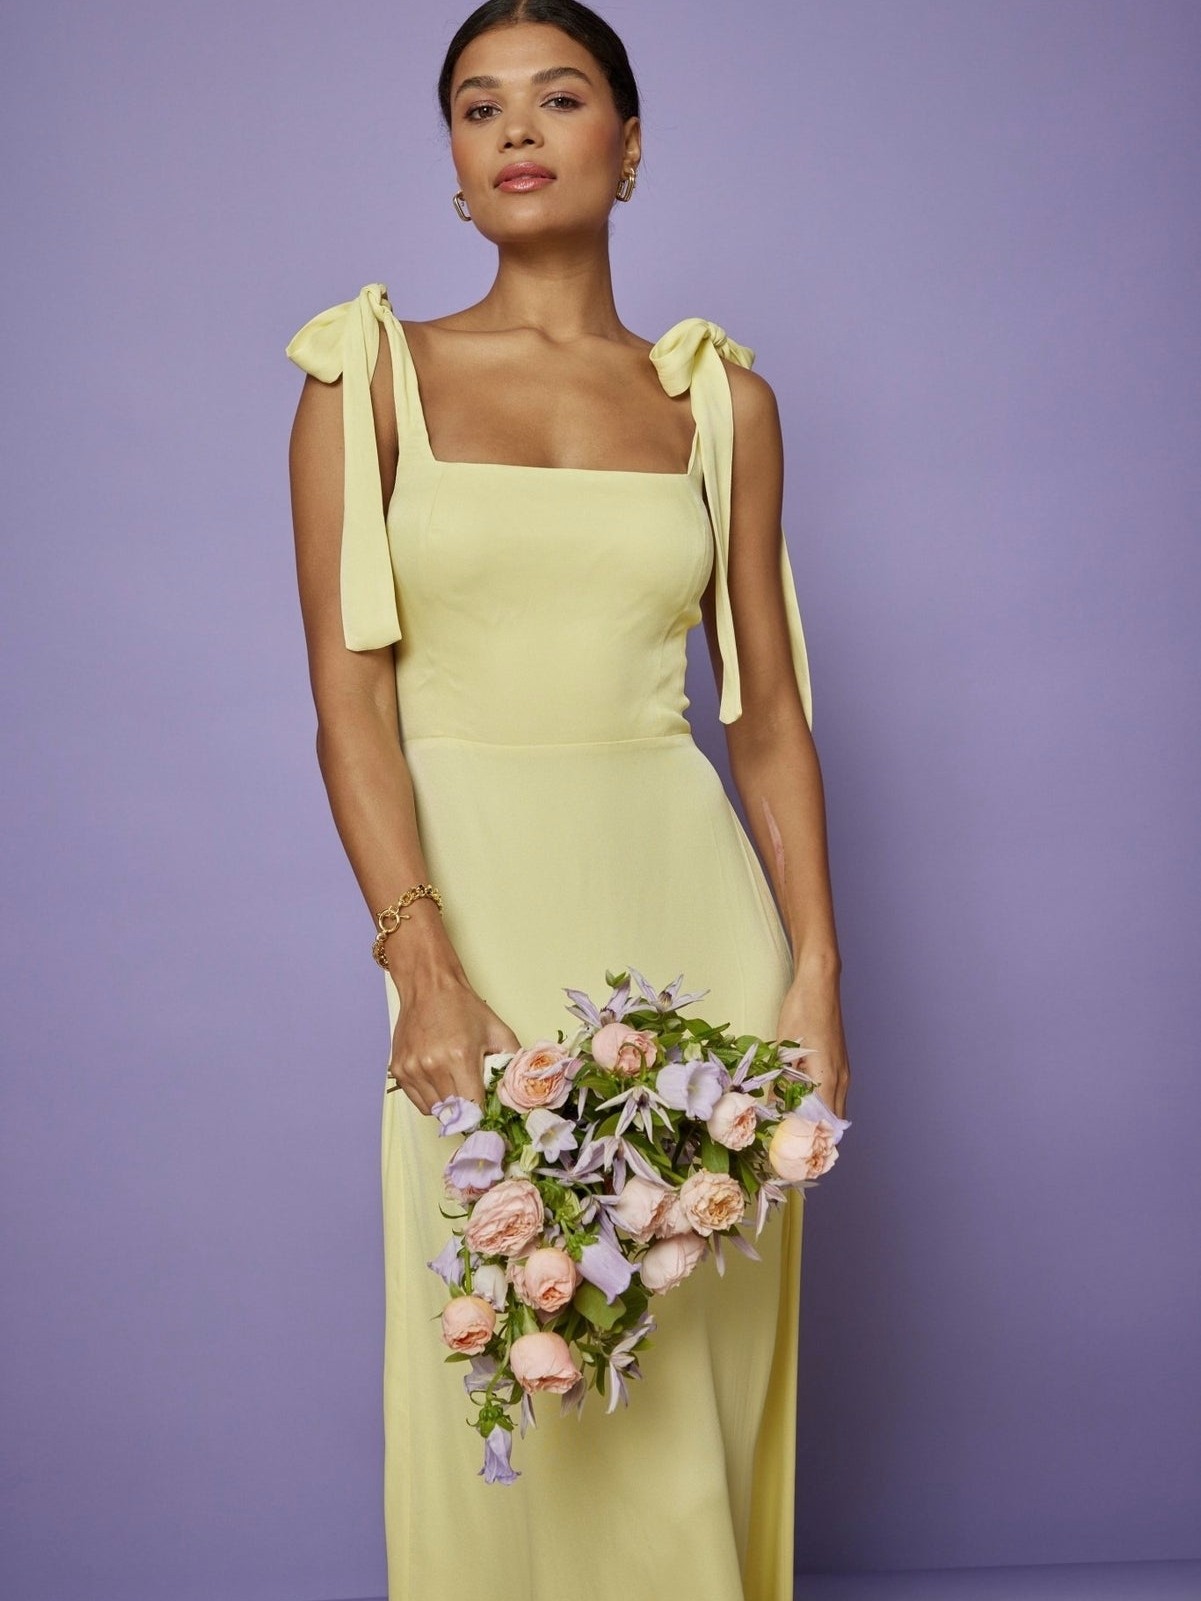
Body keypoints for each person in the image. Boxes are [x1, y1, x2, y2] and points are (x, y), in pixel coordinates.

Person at [285, 2, 851, 1595]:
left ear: (629, 141)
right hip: (476, 922)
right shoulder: (366, 378)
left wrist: (814, 973)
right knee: (509, 1376)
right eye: (479, 107)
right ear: (456, 161)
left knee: (683, 1378)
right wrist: (421, 967)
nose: (518, 130)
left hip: (694, 924)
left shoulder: (718, 403)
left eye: (558, 96)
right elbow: (348, 707)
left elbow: (767, 718)